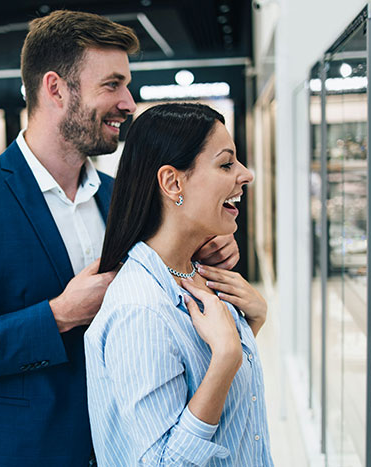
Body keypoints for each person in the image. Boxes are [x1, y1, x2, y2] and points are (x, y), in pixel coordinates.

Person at [0, 11, 239, 467]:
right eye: (112, 85)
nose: (129, 103)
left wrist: (202, 257)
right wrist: (56, 316)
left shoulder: (123, 200)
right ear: (55, 88)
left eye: (127, 86)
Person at [86, 103, 274, 466]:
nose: (246, 174)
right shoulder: (140, 311)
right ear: (173, 183)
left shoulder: (193, 273)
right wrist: (227, 357)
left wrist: (251, 324)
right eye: (226, 164)